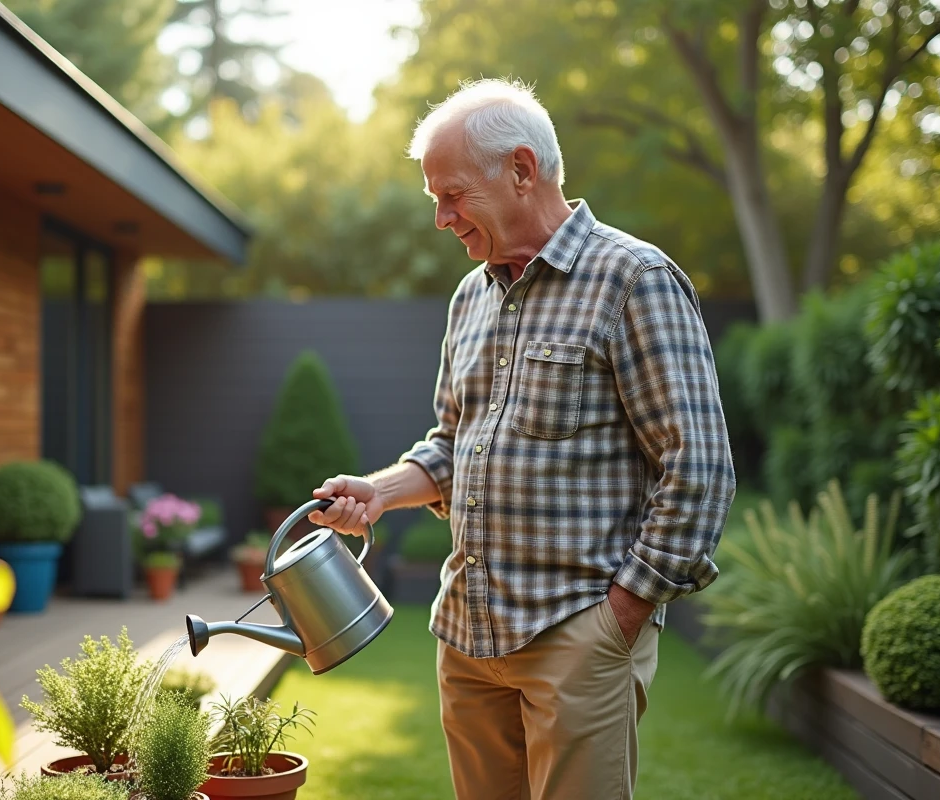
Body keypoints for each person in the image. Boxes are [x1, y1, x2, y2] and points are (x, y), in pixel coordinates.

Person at [307, 78, 736, 800]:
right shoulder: (469, 298)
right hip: (467, 636)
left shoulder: (634, 279)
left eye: (453, 195)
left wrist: (621, 617)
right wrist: (377, 493)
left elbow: (699, 467)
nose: (441, 219)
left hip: (576, 631)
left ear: (522, 169)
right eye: (435, 199)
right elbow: (455, 442)